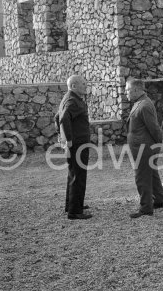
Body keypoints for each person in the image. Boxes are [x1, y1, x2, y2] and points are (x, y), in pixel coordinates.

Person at [125, 78, 163, 218]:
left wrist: (158, 143)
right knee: (152, 174)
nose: (126, 93)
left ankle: (146, 208)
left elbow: (154, 128)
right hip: (143, 146)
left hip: (144, 148)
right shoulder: (140, 102)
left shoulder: (144, 105)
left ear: (136, 90)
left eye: (128, 90)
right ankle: (159, 201)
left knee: (142, 177)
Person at [55, 75, 92, 220]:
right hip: (78, 143)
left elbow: (57, 117)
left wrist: (60, 135)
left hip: (76, 143)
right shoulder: (73, 101)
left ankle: (71, 204)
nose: (85, 86)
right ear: (74, 86)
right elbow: (63, 119)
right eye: (83, 84)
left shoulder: (68, 98)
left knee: (73, 174)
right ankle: (75, 211)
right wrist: (68, 140)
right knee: (78, 175)